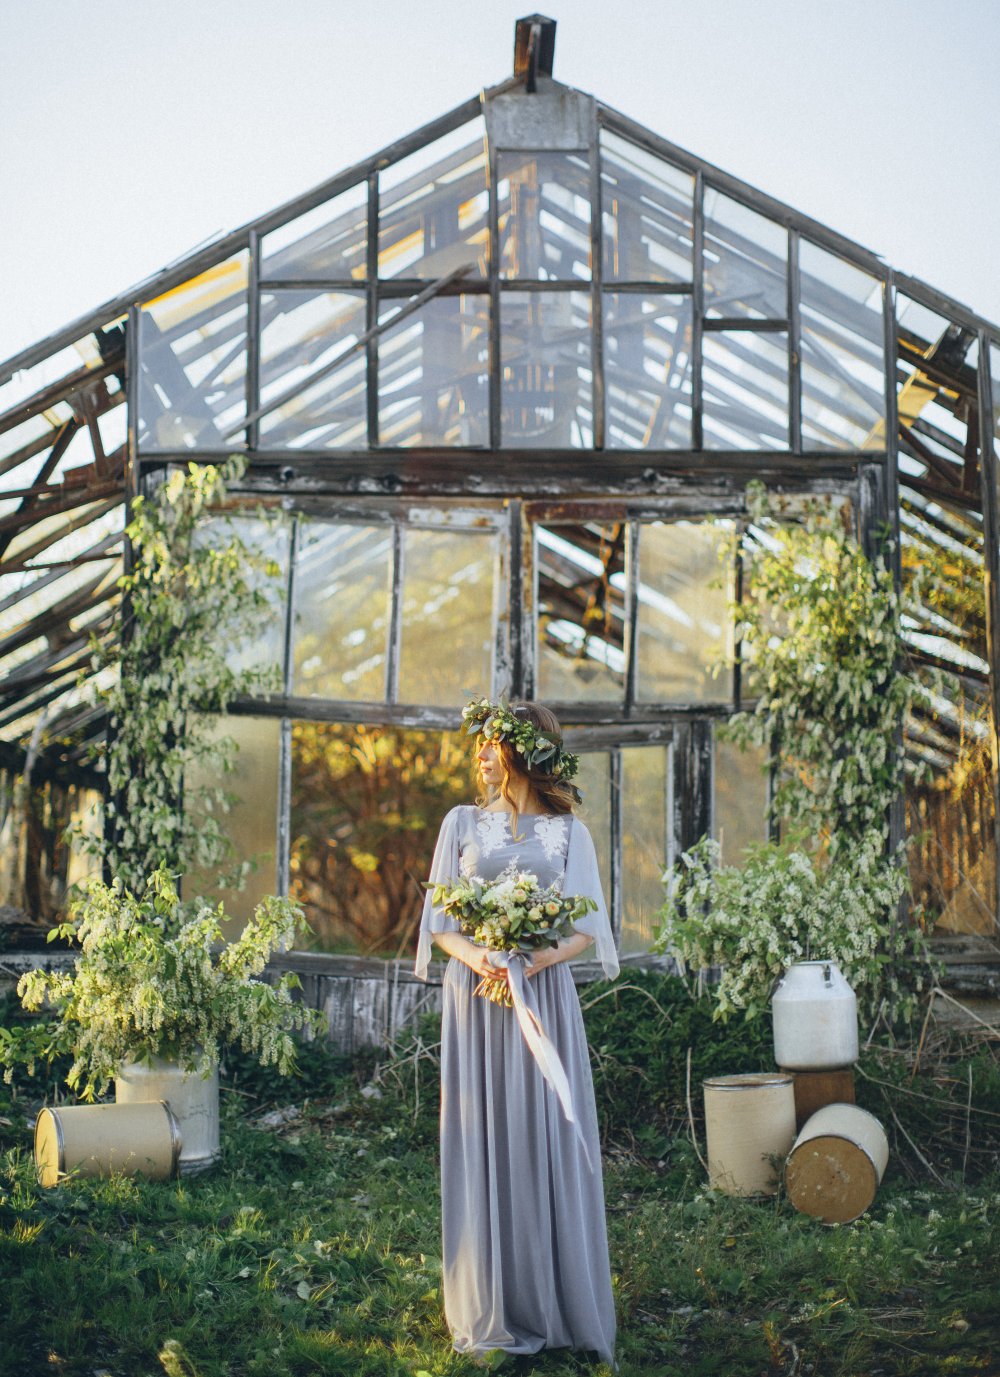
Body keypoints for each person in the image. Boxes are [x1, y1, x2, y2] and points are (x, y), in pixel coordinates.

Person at [415, 698, 619, 1366]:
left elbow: (587, 929)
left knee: (545, 1136)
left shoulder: (570, 835)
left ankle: (554, 1298)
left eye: (492, 743)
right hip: (478, 1001)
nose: (480, 754)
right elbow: (441, 925)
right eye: (479, 743)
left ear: (525, 751)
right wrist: (489, 959)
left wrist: (534, 958)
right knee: (488, 1136)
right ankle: (492, 1299)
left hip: (545, 998)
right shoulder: (460, 824)